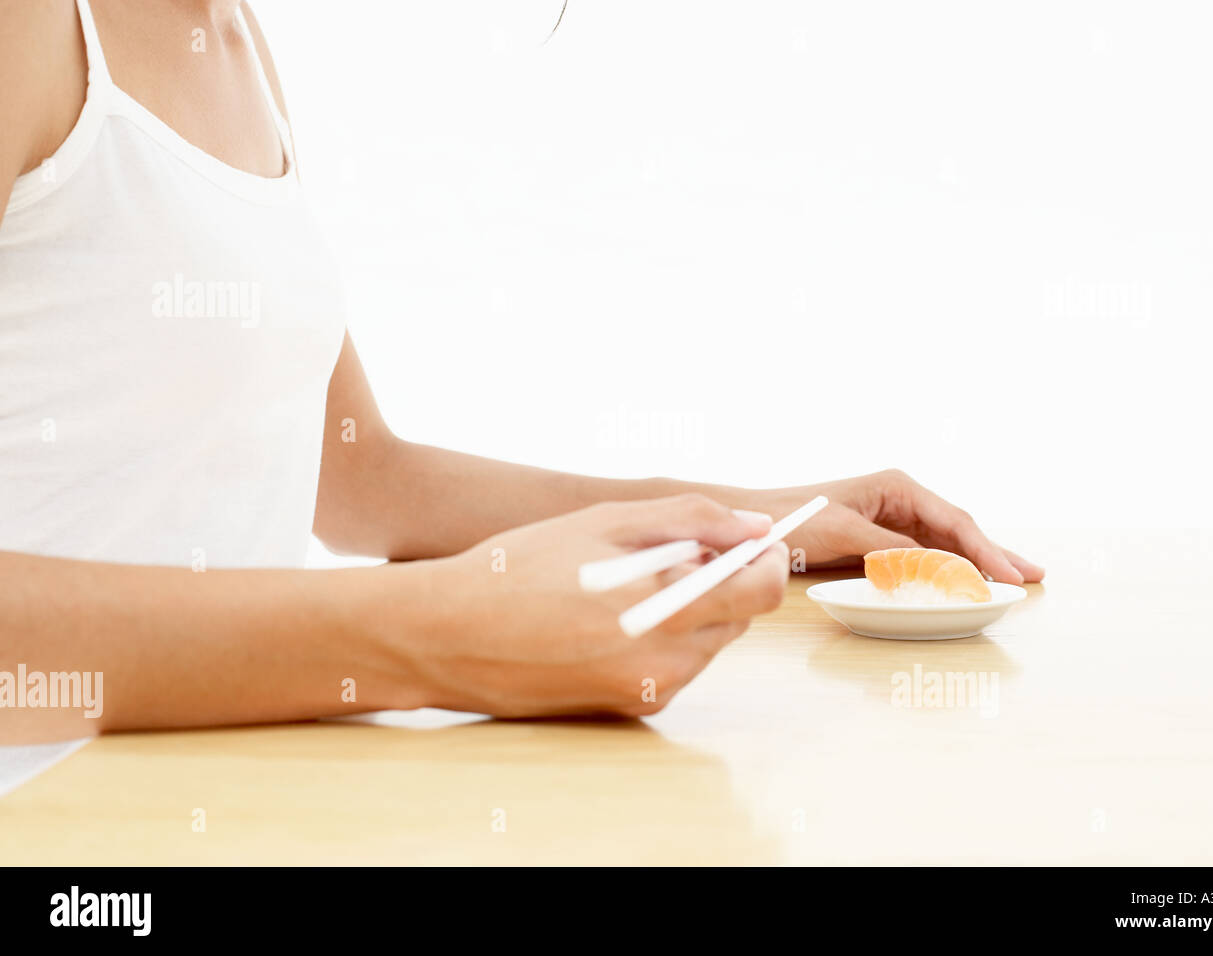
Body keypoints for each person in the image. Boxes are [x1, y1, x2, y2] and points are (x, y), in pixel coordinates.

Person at [0, 0, 1042, 742]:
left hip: (204, 802)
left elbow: (359, 481)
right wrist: (432, 637)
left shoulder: (229, 39)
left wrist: (752, 519)